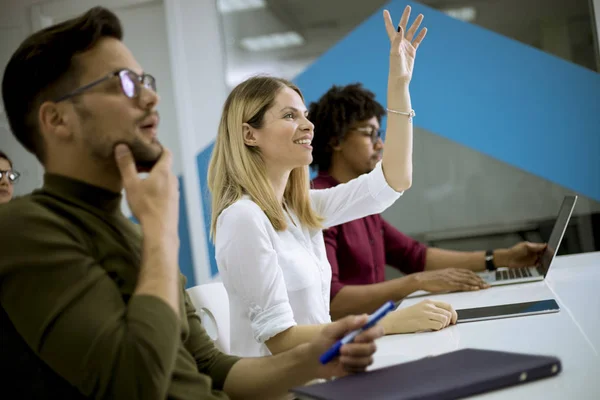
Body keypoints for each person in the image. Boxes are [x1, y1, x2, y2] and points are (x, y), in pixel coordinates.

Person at [0, 7, 384, 399]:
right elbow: (135, 383)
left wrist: (317, 356)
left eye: (145, 80)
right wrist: (162, 234)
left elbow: (213, 367)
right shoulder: (25, 230)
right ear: (57, 120)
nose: (151, 96)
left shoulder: (130, 232)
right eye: (123, 83)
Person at [209, 5, 458, 359]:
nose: (308, 126)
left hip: (326, 370)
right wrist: (388, 323)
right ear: (249, 134)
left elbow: (394, 181)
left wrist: (399, 85)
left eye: (305, 116)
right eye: (289, 116)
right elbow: (280, 339)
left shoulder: (302, 209)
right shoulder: (243, 219)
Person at [309, 83, 547, 319]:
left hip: (375, 328)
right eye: (369, 133)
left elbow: (414, 255)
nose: (380, 144)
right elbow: (332, 301)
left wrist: (503, 258)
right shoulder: (318, 201)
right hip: (347, 341)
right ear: (335, 141)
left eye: (379, 134)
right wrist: (416, 282)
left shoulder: (361, 201)